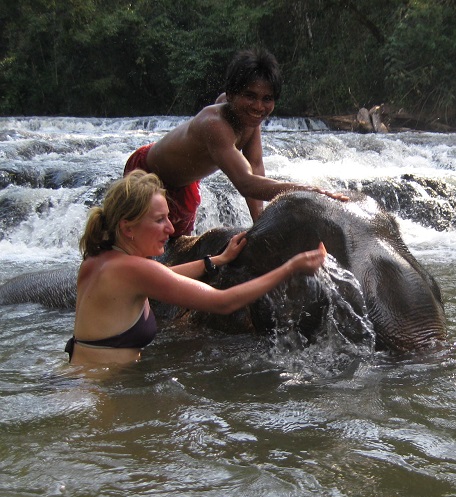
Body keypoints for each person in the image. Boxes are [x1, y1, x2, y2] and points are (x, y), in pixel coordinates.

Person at [66, 170, 327, 366]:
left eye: (168, 217)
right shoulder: (135, 270)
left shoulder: (97, 260)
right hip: (99, 394)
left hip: (76, 381)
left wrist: (218, 260)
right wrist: (290, 268)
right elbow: (222, 302)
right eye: (159, 220)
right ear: (127, 228)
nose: (170, 228)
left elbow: (165, 277)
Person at [123, 47, 347, 237]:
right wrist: (307, 191)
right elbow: (246, 183)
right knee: (138, 246)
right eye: (250, 96)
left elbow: (255, 165)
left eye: (267, 99)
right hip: (148, 174)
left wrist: (258, 223)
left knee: (175, 248)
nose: (259, 106)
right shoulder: (214, 124)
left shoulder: (248, 116)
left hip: (185, 185)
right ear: (231, 95)